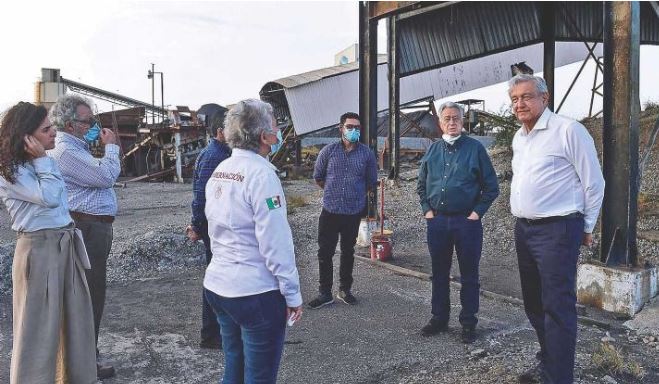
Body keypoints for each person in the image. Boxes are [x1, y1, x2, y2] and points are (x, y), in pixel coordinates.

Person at [508, 74, 605, 384]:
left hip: (558, 230)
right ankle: (549, 361)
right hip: (525, 230)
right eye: (514, 99)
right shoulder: (518, 138)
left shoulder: (568, 131)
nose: (520, 103)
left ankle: (558, 377)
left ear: (544, 98)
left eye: (526, 96)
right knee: (533, 303)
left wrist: (587, 226)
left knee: (557, 307)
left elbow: (594, 183)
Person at [203, 99, 303, 384]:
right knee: (259, 376)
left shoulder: (220, 171)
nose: (278, 131)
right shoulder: (261, 175)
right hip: (254, 292)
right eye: (274, 126)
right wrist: (293, 294)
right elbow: (276, 244)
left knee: (234, 367)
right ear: (263, 137)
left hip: (219, 286)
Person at [0, 102, 96, 383]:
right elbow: (51, 197)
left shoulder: (45, 161)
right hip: (39, 250)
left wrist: (43, 160)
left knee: (75, 324)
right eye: (46, 129)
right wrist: (42, 161)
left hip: (64, 246)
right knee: (37, 330)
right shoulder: (10, 172)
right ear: (26, 137)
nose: (54, 132)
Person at [48, 94, 121, 380]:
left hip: (92, 227)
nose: (93, 125)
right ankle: (86, 359)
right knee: (90, 294)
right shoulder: (66, 151)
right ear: (70, 124)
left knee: (91, 293)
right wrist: (111, 148)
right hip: (87, 228)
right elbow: (105, 177)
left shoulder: (77, 149)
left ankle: (86, 354)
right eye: (88, 121)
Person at [416, 102, 499, 343]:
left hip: (467, 224)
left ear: (463, 122)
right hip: (438, 223)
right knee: (439, 273)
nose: (452, 122)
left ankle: (468, 323)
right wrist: (427, 211)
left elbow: (491, 187)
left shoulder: (475, 149)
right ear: (440, 123)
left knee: (469, 275)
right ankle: (439, 318)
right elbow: (421, 185)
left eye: (456, 118)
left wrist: (476, 214)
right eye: (447, 119)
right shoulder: (433, 150)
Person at [307, 112, 378, 309]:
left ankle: (345, 289)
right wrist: (334, 192)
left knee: (348, 251)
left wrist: (354, 196)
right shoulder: (328, 151)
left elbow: (371, 182)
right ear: (341, 128)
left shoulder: (366, 154)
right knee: (325, 252)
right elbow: (318, 177)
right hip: (330, 210)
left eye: (357, 127)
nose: (354, 130)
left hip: (353, 212)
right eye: (350, 126)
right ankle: (324, 293)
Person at [186, 112, 231, 349]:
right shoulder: (215, 156)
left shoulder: (222, 154)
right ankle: (211, 334)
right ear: (219, 131)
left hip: (214, 225)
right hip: (213, 226)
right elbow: (201, 196)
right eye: (230, 128)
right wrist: (197, 225)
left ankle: (216, 332)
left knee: (218, 278)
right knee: (216, 280)